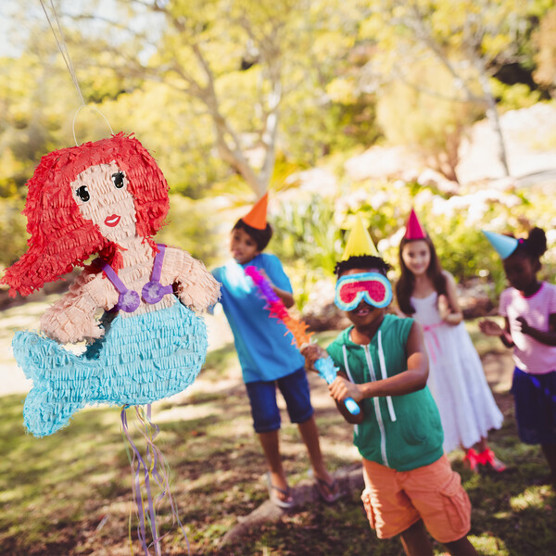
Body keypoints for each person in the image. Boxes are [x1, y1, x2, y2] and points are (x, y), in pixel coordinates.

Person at [1, 133, 220, 437]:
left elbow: (202, 289)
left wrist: (195, 288)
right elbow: (65, 322)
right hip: (126, 366)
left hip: (181, 359)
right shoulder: (102, 281)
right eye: (86, 196)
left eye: (117, 183)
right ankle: (70, 383)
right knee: (100, 374)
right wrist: (67, 323)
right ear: (77, 213)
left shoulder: (171, 261)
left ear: (135, 184)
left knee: (92, 376)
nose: (108, 204)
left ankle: (71, 382)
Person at [302, 216, 477, 556]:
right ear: (339, 297)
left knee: (452, 535)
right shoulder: (337, 350)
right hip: (377, 463)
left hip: (422, 456)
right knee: (409, 535)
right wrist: (333, 380)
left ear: (386, 291)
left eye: (373, 289)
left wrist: (362, 390)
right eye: (350, 292)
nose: (362, 300)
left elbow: (419, 375)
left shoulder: (406, 329)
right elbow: (354, 416)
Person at [211, 193, 338, 508]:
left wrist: (268, 285)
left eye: (248, 243)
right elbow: (201, 301)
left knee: (303, 413)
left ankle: (319, 465)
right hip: (255, 364)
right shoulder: (221, 276)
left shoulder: (268, 263)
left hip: (287, 355)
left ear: (259, 249)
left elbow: (289, 301)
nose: (239, 246)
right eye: (236, 238)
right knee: (266, 420)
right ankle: (276, 472)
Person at [395, 209, 505, 472]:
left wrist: (447, 314)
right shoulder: (401, 288)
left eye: (423, 253)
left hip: (453, 346)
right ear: (402, 256)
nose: (418, 259)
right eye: (411, 254)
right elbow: (406, 324)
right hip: (428, 352)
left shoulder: (443, 280)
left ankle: (484, 449)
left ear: (431, 253)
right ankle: (468, 451)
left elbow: (457, 316)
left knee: (465, 390)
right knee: (445, 395)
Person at [479, 227, 556, 485]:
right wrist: (499, 332)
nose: (513, 277)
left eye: (518, 270)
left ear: (535, 265)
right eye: (508, 271)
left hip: (551, 374)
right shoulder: (508, 298)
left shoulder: (550, 294)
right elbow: (512, 342)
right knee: (544, 430)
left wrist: (532, 330)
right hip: (526, 375)